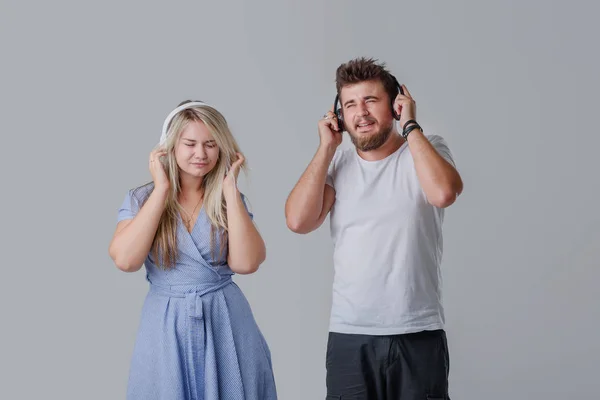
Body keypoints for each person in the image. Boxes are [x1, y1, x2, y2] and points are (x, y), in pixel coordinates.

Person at [285, 57, 463, 399]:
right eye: (350, 104)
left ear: (395, 106)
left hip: (417, 330)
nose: (361, 113)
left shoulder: (428, 148)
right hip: (350, 333)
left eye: (371, 100)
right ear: (339, 115)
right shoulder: (336, 163)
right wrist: (326, 149)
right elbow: (298, 221)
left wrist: (411, 126)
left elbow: (443, 193)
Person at [109, 100, 277, 400]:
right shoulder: (142, 198)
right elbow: (125, 259)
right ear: (170, 146)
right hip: (165, 322)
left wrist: (230, 191)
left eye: (211, 144)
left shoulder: (229, 200)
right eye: (190, 144)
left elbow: (247, 263)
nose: (201, 153)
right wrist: (161, 190)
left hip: (225, 320)